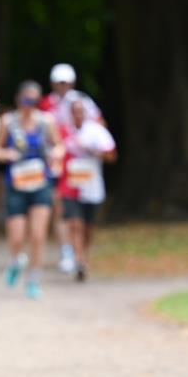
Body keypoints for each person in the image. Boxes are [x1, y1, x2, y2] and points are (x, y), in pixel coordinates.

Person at [0, 80, 62, 299]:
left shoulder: (46, 121)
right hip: (17, 184)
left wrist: (55, 155)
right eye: (25, 99)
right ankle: (15, 261)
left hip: (40, 183)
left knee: (39, 235)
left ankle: (33, 279)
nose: (29, 104)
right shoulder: (9, 122)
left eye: (33, 100)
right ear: (18, 99)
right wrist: (6, 155)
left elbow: (59, 145)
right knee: (17, 236)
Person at [41, 63, 102, 274]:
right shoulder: (47, 103)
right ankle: (66, 251)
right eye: (59, 82)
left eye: (66, 82)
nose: (62, 86)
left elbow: (98, 126)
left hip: (80, 163)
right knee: (59, 206)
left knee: (83, 211)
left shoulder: (83, 101)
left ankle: (79, 252)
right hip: (56, 162)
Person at [58, 98, 117, 280]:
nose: (78, 114)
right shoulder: (63, 131)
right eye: (74, 111)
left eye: (81, 110)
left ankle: (84, 254)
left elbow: (111, 155)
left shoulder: (96, 131)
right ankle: (79, 260)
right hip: (70, 184)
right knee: (75, 224)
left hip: (92, 185)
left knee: (89, 226)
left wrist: (93, 150)